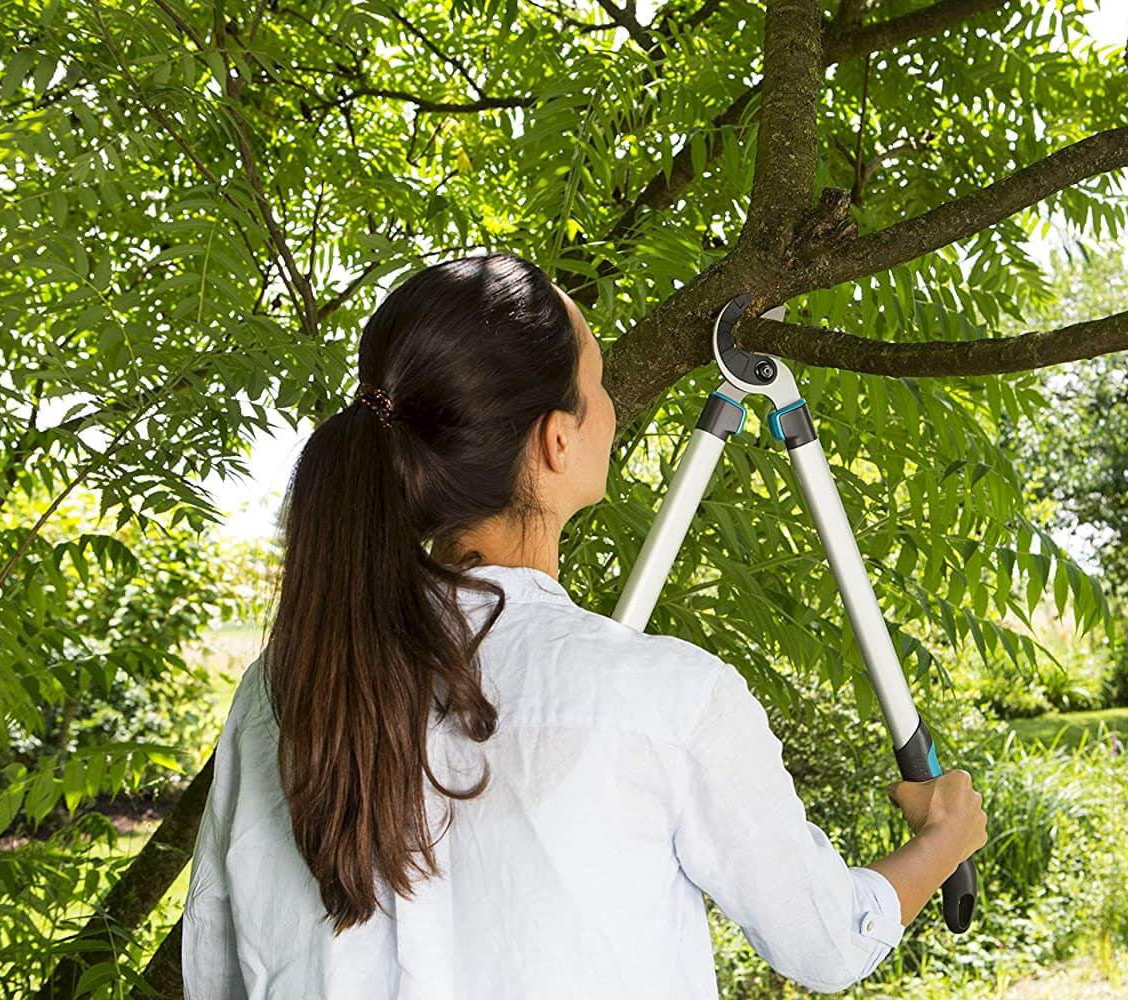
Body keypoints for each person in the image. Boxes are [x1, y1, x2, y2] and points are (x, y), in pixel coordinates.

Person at [181, 252, 987, 998]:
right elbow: (826, 942)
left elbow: (215, 971)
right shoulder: (671, 698)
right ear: (557, 441)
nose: (610, 408)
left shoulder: (277, 694)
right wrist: (943, 839)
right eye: (597, 384)